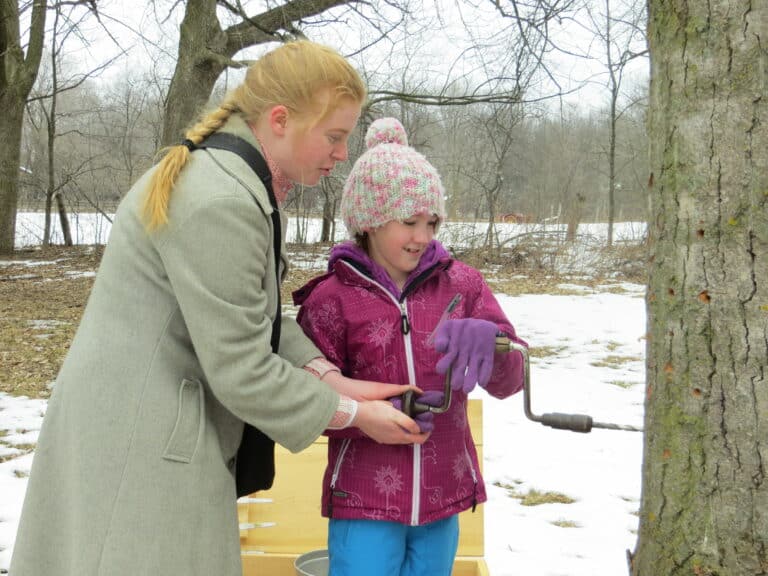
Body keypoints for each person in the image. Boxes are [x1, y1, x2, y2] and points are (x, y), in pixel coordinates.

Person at [10, 42, 430, 576]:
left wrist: (327, 374)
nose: (342, 154)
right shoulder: (220, 200)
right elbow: (241, 368)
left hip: (150, 419)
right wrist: (352, 414)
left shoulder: (234, 180)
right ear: (280, 120)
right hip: (140, 437)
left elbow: (250, 313)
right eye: (334, 136)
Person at [293, 117, 528, 576]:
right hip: (364, 497)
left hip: (443, 492)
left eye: (432, 221)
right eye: (409, 222)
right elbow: (304, 400)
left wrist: (498, 346)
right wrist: (365, 418)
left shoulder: (463, 286)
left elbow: (512, 379)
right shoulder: (330, 300)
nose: (423, 236)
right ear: (371, 221)